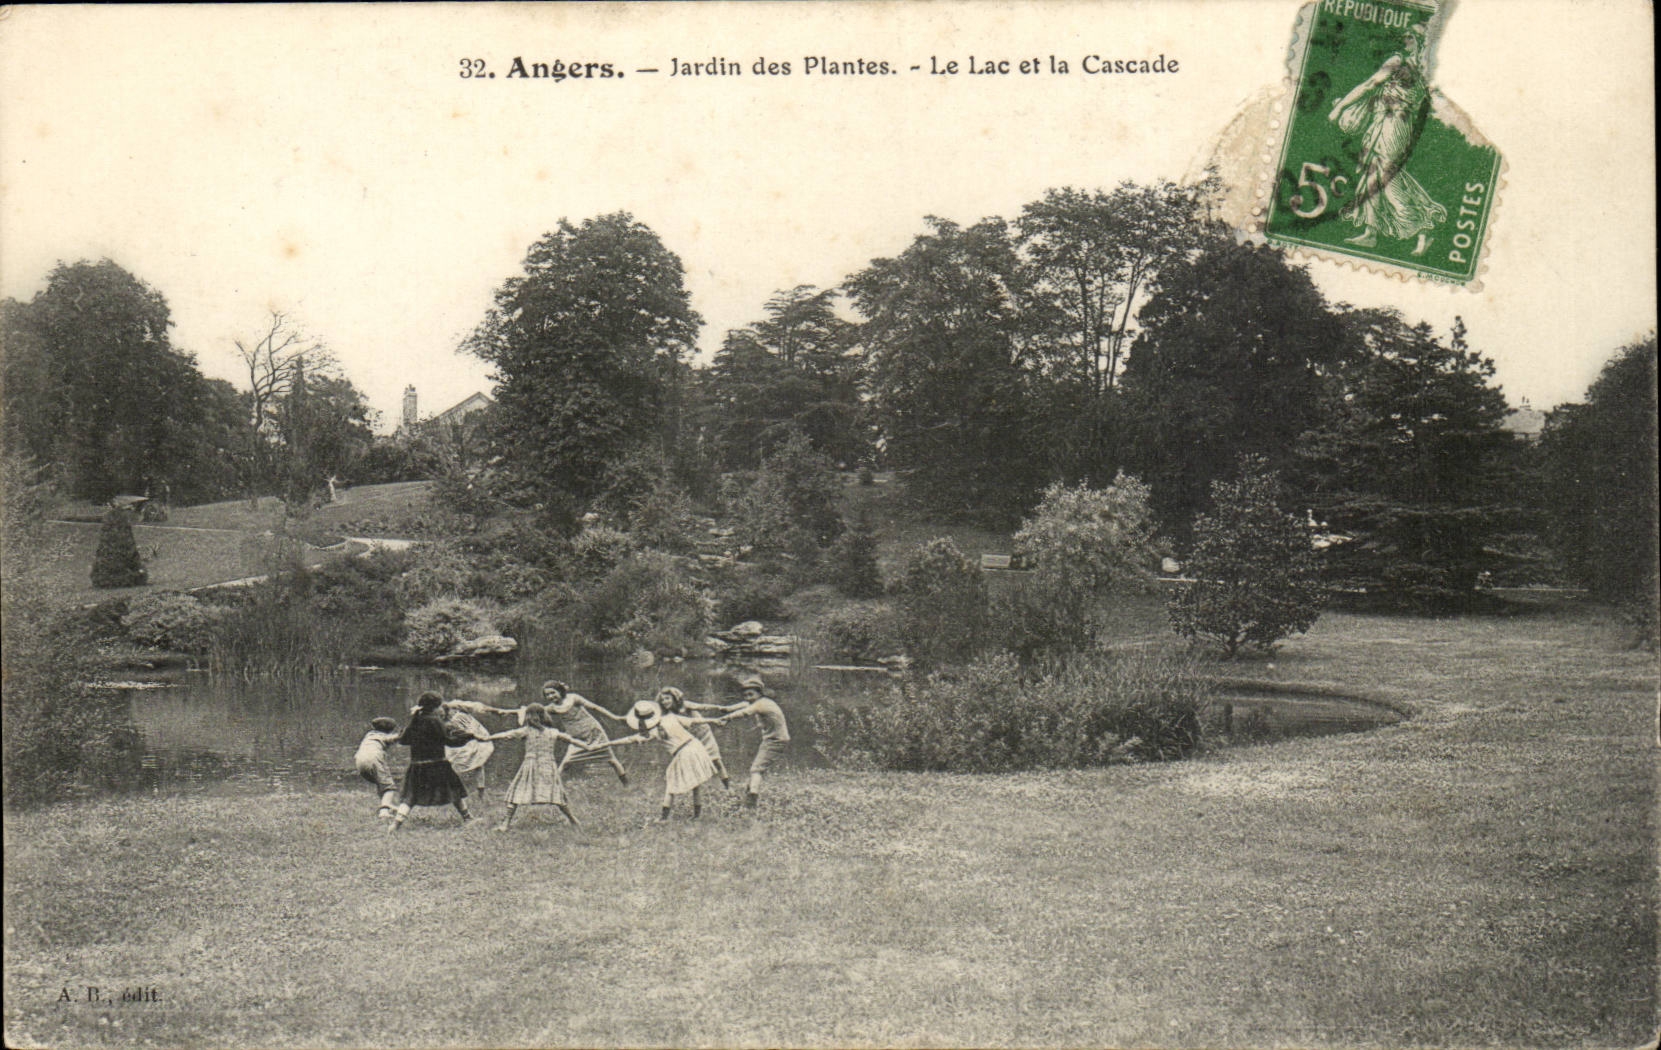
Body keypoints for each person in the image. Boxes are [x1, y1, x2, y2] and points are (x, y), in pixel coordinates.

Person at [1326, 22, 1447, 256]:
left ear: (1419, 41)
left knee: (1387, 178)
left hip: (1393, 125)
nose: (1404, 39)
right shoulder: (1430, 70)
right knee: (1374, 173)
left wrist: (1340, 107)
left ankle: (1423, 227)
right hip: (1391, 123)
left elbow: (1370, 84)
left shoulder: (1399, 61)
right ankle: (1371, 233)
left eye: (1409, 36)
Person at [607, 699, 723, 821]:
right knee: (696, 783)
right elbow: (694, 721)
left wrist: (609, 743)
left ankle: (664, 818)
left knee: (671, 782)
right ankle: (696, 816)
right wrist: (714, 720)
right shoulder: (670, 718)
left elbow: (630, 739)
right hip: (695, 746)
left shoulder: (653, 732)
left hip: (685, 752)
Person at [483, 703, 587, 831]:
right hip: (532, 765)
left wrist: (588, 746)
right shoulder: (528, 731)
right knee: (516, 791)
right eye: (530, 716)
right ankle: (506, 823)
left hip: (546, 765)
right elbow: (507, 734)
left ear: (541, 716)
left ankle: (573, 820)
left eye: (535, 716)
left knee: (556, 794)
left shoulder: (551, 732)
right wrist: (487, 738)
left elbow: (570, 739)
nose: (533, 719)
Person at [388, 692, 474, 830]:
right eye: (440, 706)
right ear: (435, 707)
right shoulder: (435, 721)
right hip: (437, 764)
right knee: (454, 790)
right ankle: (467, 817)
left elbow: (404, 740)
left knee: (411, 796)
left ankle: (395, 824)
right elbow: (448, 741)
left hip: (417, 766)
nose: (442, 709)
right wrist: (468, 736)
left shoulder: (415, 720)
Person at [717, 674, 790, 808]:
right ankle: (749, 793)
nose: (748, 698)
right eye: (745, 695)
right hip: (772, 739)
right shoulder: (759, 702)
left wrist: (725, 718)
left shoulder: (761, 704)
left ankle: (751, 801)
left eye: (751, 694)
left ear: (759, 693)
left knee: (756, 770)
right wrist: (722, 709)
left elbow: (744, 712)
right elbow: (741, 706)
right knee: (756, 769)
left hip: (775, 740)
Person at [541, 681, 631, 784]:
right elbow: (535, 711)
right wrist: (520, 711)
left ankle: (626, 784)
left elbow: (595, 707)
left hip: (594, 733)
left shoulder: (573, 698)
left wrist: (615, 717)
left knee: (611, 759)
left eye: (553, 692)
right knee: (566, 762)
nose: (551, 696)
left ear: (560, 691)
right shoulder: (551, 708)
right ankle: (553, 788)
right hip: (577, 738)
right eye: (547, 694)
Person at [655, 686, 732, 790]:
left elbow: (702, 707)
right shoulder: (668, 714)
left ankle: (727, 787)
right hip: (691, 740)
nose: (665, 702)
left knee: (716, 760)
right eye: (662, 700)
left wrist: (719, 708)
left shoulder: (685, 705)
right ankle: (697, 791)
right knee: (694, 763)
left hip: (704, 734)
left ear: (674, 697)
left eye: (667, 698)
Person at [439, 700, 495, 803]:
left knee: (479, 763)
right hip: (464, 739)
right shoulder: (446, 722)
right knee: (449, 763)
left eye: (441, 711)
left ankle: (480, 793)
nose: (440, 714)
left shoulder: (458, 711)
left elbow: (475, 707)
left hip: (476, 736)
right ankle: (449, 791)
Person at [354, 716, 402, 819]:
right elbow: (395, 738)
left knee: (381, 784)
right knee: (389, 787)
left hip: (359, 761)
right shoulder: (384, 736)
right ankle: (384, 811)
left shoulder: (369, 735)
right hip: (373, 760)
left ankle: (388, 805)